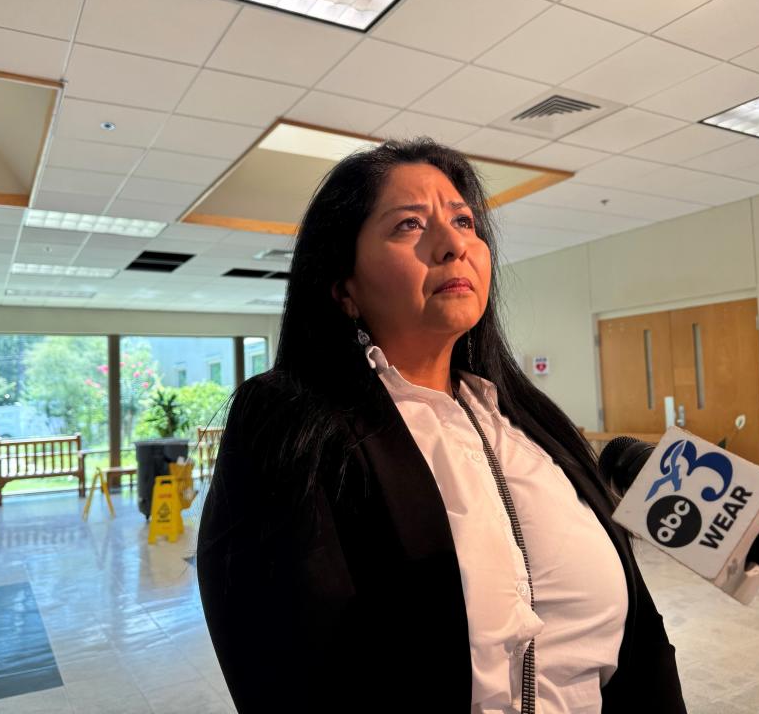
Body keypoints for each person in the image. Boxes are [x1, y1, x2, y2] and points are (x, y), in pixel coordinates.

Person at [196, 138, 686, 713]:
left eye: (463, 220)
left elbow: (639, 636)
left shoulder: (526, 418)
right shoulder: (289, 418)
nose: (454, 243)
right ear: (343, 287)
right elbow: (283, 669)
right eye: (408, 225)